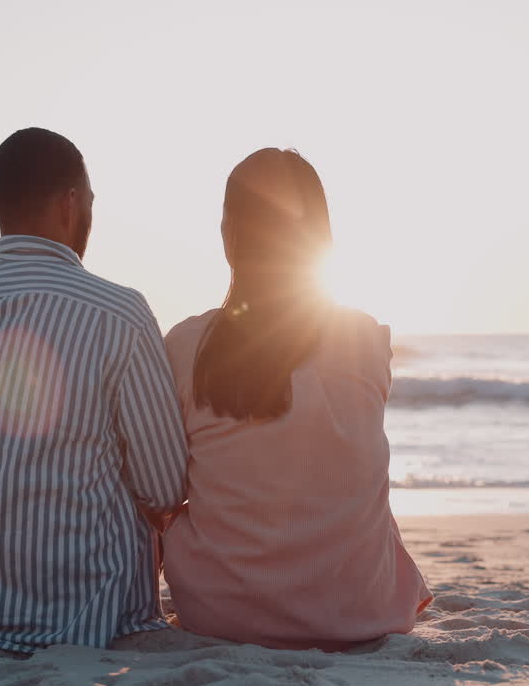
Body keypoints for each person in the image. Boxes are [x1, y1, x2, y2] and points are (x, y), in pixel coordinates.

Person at [0, 127, 188, 653]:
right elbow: (165, 485)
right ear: (71, 203)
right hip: (92, 608)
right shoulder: (118, 312)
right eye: (91, 200)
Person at [161, 148, 432, 650]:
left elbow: (167, 481)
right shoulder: (367, 338)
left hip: (222, 614)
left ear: (229, 235)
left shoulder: (185, 345)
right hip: (362, 613)